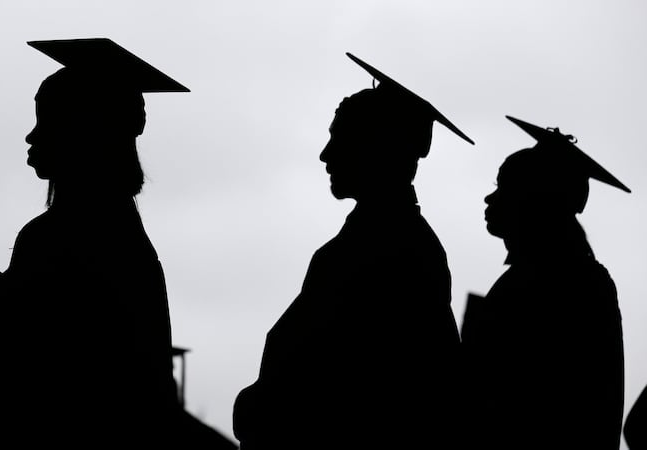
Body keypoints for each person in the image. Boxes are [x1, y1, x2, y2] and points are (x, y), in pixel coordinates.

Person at [0, 38, 187, 448]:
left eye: (47, 121)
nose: (31, 136)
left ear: (84, 132)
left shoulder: (60, 238)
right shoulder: (122, 237)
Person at [232, 52, 474, 449]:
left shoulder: (395, 249)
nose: (326, 155)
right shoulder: (382, 241)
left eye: (341, 138)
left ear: (378, 148)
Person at [462, 116, 627, 449]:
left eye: (504, 187)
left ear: (537, 200)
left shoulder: (555, 287)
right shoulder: (572, 278)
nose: (490, 199)